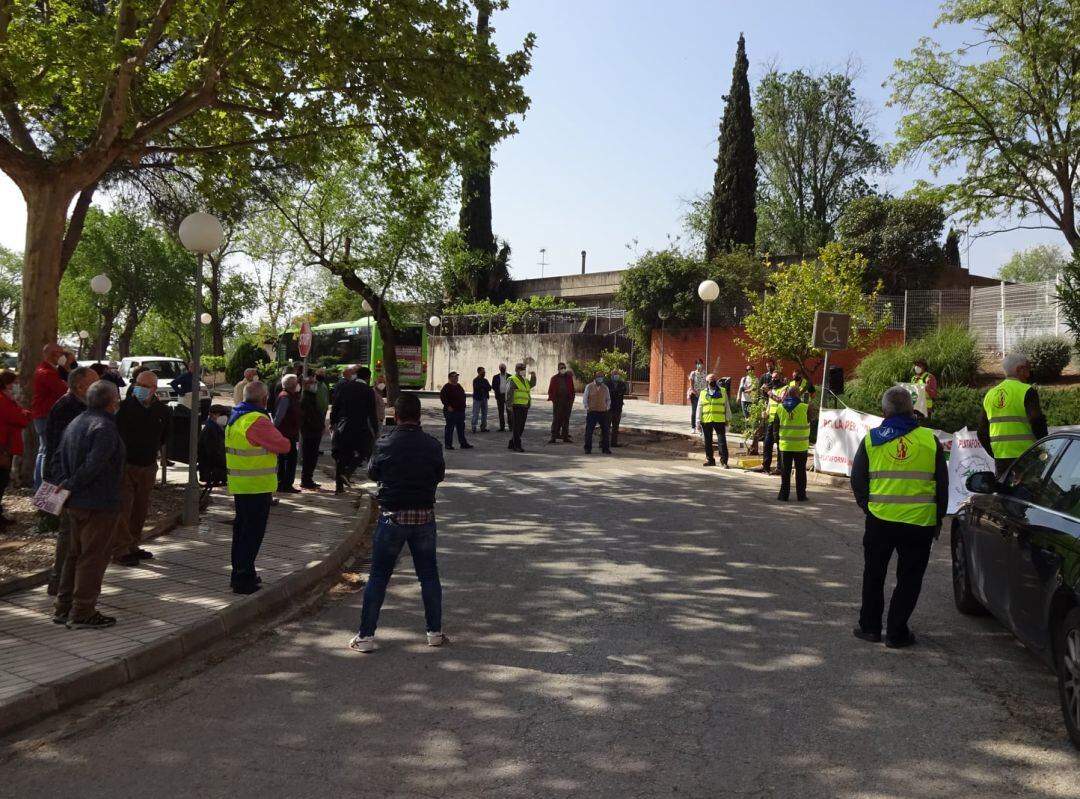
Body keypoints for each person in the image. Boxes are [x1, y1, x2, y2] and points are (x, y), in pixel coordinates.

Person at [349, 393, 446, 653]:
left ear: (397, 416)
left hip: (392, 516)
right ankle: (434, 632)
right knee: (429, 575)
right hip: (424, 515)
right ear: (419, 415)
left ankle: (366, 636)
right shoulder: (432, 445)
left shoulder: (384, 443)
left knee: (379, 577)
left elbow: (373, 472)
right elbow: (439, 475)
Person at [53, 380, 126, 629]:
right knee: (92, 558)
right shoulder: (104, 427)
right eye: (117, 398)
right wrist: (71, 484)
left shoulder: (76, 422)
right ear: (112, 401)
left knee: (74, 555)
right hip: (97, 503)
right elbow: (94, 465)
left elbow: (57, 458)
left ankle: (64, 607)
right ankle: (83, 611)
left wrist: (65, 484)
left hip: (76, 502)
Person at [226, 381, 292, 593]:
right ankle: (243, 577)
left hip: (241, 484)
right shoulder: (257, 420)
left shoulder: (237, 416)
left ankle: (243, 572)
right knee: (251, 534)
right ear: (265, 399)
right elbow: (283, 445)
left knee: (242, 532)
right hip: (256, 486)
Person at [42, 367, 96, 595]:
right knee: (69, 534)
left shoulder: (84, 407)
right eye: (94, 383)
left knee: (76, 535)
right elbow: (60, 450)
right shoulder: (67, 408)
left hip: (75, 481)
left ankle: (67, 582)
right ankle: (59, 583)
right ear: (81, 387)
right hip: (66, 482)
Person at [112, 369, 171, 566]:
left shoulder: (162, 411)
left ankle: (133, 545)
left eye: (145, 386)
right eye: (138, 384)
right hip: (126, 465)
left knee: (140, 508)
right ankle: (120, 549)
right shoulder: (123, 408)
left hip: (148, 465)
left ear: (154, 388)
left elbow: (164, 436)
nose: (140, 388)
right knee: (123, 509)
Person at [976, 352, 1048, 476]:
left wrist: (995, 454)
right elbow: (1036, 420)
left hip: (1001, 458)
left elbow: (982, 431)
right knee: (1031, 488)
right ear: (1020, 369)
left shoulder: (990, 394)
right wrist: (1044, 445)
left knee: (1004, 488)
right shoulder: (1027, 391)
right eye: (1028, 369)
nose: (1029, 374)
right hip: (1027, 457)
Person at [330, 365, 380, 493]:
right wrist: (375, 429)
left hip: (344, 425)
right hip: (360, 427)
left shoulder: (346, 387)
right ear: (368, 378)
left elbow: (336, 406)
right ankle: (347, 473)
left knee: (342, 455)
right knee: (363, 451)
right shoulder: (368, 391)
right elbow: (372, 412)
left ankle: (339, 487)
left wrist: (332, 422)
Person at [32, 342, 69, 488]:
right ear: (53, 354)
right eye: (60, 353)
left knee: (44, 450)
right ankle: (42, 486)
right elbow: (63, 390)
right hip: (45, 415)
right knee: (46, 451)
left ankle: (40, 486)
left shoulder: (47, 370)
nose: (62, 356)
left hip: (43, 414)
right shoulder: (46, 372)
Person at [0, 371, 31, 524]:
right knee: (1, 480)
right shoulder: (3, 400)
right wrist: (25, 413)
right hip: (3, 446)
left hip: (5, 444)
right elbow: (20, 418)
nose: (15, 386)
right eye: (13, 383)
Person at [776, 386, 811, 501]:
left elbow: (775, 428)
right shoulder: (806, 408)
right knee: (800, 471)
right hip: (801, 446)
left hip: (785, 445)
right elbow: (813, 420)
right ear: (798, 394)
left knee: (785, 472)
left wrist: (777, 441)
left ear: (787, 394)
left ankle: (783, 495)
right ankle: (801, 495)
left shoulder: (780, 408)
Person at [273, 373, 302, 493]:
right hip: (286, 434)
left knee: (287, 459)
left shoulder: (289, 396)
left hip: (289, 432)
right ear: (292, 385)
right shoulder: (285, 397)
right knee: (288, 459)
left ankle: (284, 483)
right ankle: (285, 484)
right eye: (296, 383)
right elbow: (279, 417)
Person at [696, 373, 729, 468]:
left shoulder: (722, 391)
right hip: (706, 420)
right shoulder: (703, 393)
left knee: (722, 441)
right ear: (707, 382)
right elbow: (699, 407)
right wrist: (697, 421)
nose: (712, 381)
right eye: (710, 379)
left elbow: (726, 405)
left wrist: (727, 419)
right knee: (707, 441)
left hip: (719, 420)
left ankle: (724, 461)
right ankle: (710, 460)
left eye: (714, 379)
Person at [299, 373, 325, 490]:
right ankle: (306, 479)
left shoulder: (312, 397)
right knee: (309, 457)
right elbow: (309, 417)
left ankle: (308, 479)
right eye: (312, 383)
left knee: (312, 457)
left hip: (314, 431)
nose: (315, 385)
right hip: (310, 432)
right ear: (305, 385)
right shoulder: (305, 399)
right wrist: (317, 426)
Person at [759, 371, 785, 475]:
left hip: (779, 421)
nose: (773, 380)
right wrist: (766, 412)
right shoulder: (773, 389)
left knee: (779, 445)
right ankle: (765, 466)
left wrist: (769, 392)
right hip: (770, 420)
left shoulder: (784, 388)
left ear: (780, 378)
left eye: (776, 378)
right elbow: (770, 404)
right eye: (772, 378)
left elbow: (780, 400)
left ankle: (779, 468)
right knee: (767, 443)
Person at [507, 363, 536, 453]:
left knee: (521, 427)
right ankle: (517, 446)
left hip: (524, 406)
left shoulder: (525, 380)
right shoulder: (512, 379)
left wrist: (533, 377)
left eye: (524, 369)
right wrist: (509, 405)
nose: (523, 370)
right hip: (516, 406)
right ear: (516, 370)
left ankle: (512, 443)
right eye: (521, 369)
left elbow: (531, 385)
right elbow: (508, 393)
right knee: (516, 427)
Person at [439, 371, 472, 450]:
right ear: (450, 378)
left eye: (457, 376)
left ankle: (463, 443)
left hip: (460, 411)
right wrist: (448, 406)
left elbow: (463, 396)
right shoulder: (447, 387)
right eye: (454, 376)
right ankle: (448, 444)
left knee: (461, 428)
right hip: (451, 412)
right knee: (449, 428)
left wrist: (463, 406)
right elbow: (443, 398)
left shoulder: (459, 386)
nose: (456, 378)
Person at [582, 370, 612, 455]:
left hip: (603, 412)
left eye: (602, 376)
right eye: (598, 376)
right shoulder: (589, 386)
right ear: (595, 377)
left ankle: (605, 448)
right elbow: (585, 398)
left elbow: (608, 399)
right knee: (589, 431)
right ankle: (588, 448)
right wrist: (587, 407)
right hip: (592, 412)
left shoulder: (605, 388)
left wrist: (607, 407)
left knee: (606, 431)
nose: (600, 378)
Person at [198, 404, 229, 487]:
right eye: (221, 415)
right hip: (212, 470)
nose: (224, 418)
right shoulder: (210, 429)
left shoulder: (217, 427)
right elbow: (213, 452)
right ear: (212, 415)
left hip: (215, 468)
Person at [547, 362, 575, 444]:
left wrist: (571, 399)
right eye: (561, 368)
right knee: (556, 419)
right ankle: (553, 437)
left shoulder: (569, 378)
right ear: (558, 369)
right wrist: (554, 399)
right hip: (558, 401)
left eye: (564, 367)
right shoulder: (554, 378)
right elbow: (550, 390)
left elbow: (572, 389)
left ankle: (565, 437)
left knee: (566, 419)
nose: (563, 369)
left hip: (567, 400)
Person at [606, 369, 627, 447]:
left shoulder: (621, 383)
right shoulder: (607, 383)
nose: (616, 376)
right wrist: (617, 392)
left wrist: (614, 391)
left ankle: (614, 443)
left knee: (615, 427)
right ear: (611, 375)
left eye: (617, 374)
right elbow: (608, 392)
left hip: (618, 408)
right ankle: (603, 442)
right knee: (606, 426)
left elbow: (624, 390)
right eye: (614, 374)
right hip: (609, 408)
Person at [687, 360, 707, 432]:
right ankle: (693, 427)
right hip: (694, 394)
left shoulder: (705, 373)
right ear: (696, 365)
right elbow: (691, 385)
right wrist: (696, 393)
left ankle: (700, 427)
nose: (699, 365)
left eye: (700, 364)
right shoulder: (693, 373)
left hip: (703, 395)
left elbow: (707, 384)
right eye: (698, 364)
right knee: (694, 411)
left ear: (702, 364)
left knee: (702, 411)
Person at [471, 366, 491, 434]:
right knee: (475, 413)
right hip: (477, 399)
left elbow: (489, 388)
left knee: (484, 413)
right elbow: (477, 387)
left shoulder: (485, 380)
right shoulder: (475, 380)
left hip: (485, 398)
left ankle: (483, 427)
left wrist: (483, 388)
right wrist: (484, 387)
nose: (484, 373)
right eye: (483, 372)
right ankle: (474, 427)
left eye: (484, 372)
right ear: (479, 372)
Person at [491, 363, 510, 432]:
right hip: (500, 396)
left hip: (508, 396)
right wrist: (497, 392)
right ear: (499, 369)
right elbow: (493, 386)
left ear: (505, 368)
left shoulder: (510, 376)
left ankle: (511, 426)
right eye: (501, 368)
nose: (502, 369)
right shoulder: (495, 377)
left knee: (509, 412)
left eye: (503, 368)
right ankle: (502, 427)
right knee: (501, 412)